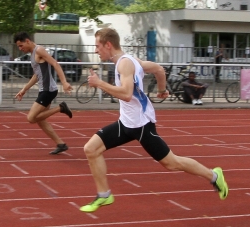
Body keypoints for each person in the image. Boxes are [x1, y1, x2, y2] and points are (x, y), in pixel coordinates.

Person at [80, 28, 228, 213]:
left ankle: (214, 175)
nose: (96, 50)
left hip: (141, 125)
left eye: (97, 46)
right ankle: (104, 195)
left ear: (108, 45)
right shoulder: (133, 60)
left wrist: (99, 83)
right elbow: (158, 69)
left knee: (172, 163)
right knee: (91, 149)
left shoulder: (124, 64)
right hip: (126, 123)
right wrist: (162, 90)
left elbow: (126, 94)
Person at [13, 32, 73, 155]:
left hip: (48, 90)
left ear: (28, 41)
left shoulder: (39, 50)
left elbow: (55, 64)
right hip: (44, 90)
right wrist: (24, 89)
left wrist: (64, 82)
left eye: (21, 45)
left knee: (31, 118)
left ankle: (60, 108)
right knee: (41, 120)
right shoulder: (33, 54)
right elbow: (37, 75)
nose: (20, 48)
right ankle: (60, 144)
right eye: (18, 46)